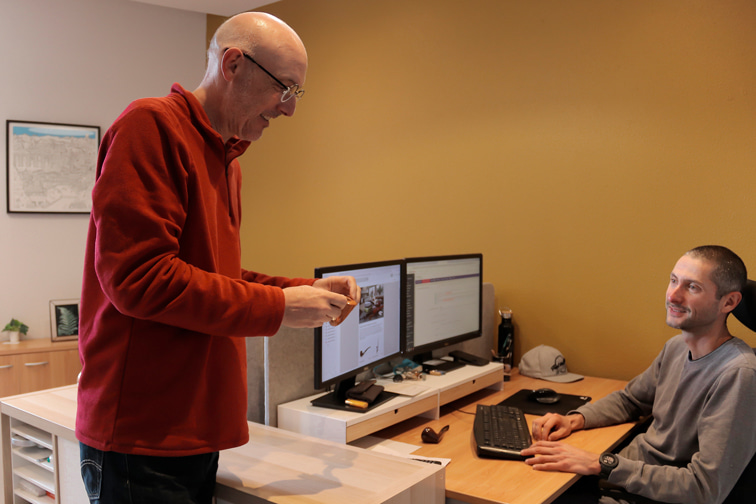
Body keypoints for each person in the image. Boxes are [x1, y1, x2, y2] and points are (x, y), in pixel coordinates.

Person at [76, 12, 359, 504]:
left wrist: (295, 289)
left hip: (194, 429)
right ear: (233, 64)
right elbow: (140, 280)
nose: (289, 110)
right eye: (284, 89)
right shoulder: (150, 127)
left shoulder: (228, 159)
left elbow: (212, 275)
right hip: (141, 436)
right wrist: (278, 307)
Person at [521, 245, 756, 504]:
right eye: (673, 281)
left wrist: (602, 463)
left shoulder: (738, 374)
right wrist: (575, 419)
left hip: (645, 495)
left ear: (730, 302)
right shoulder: (676, 348)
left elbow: (705, 488)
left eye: (692, 287)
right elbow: (630, 400)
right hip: (621, 478)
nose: (673, 296)